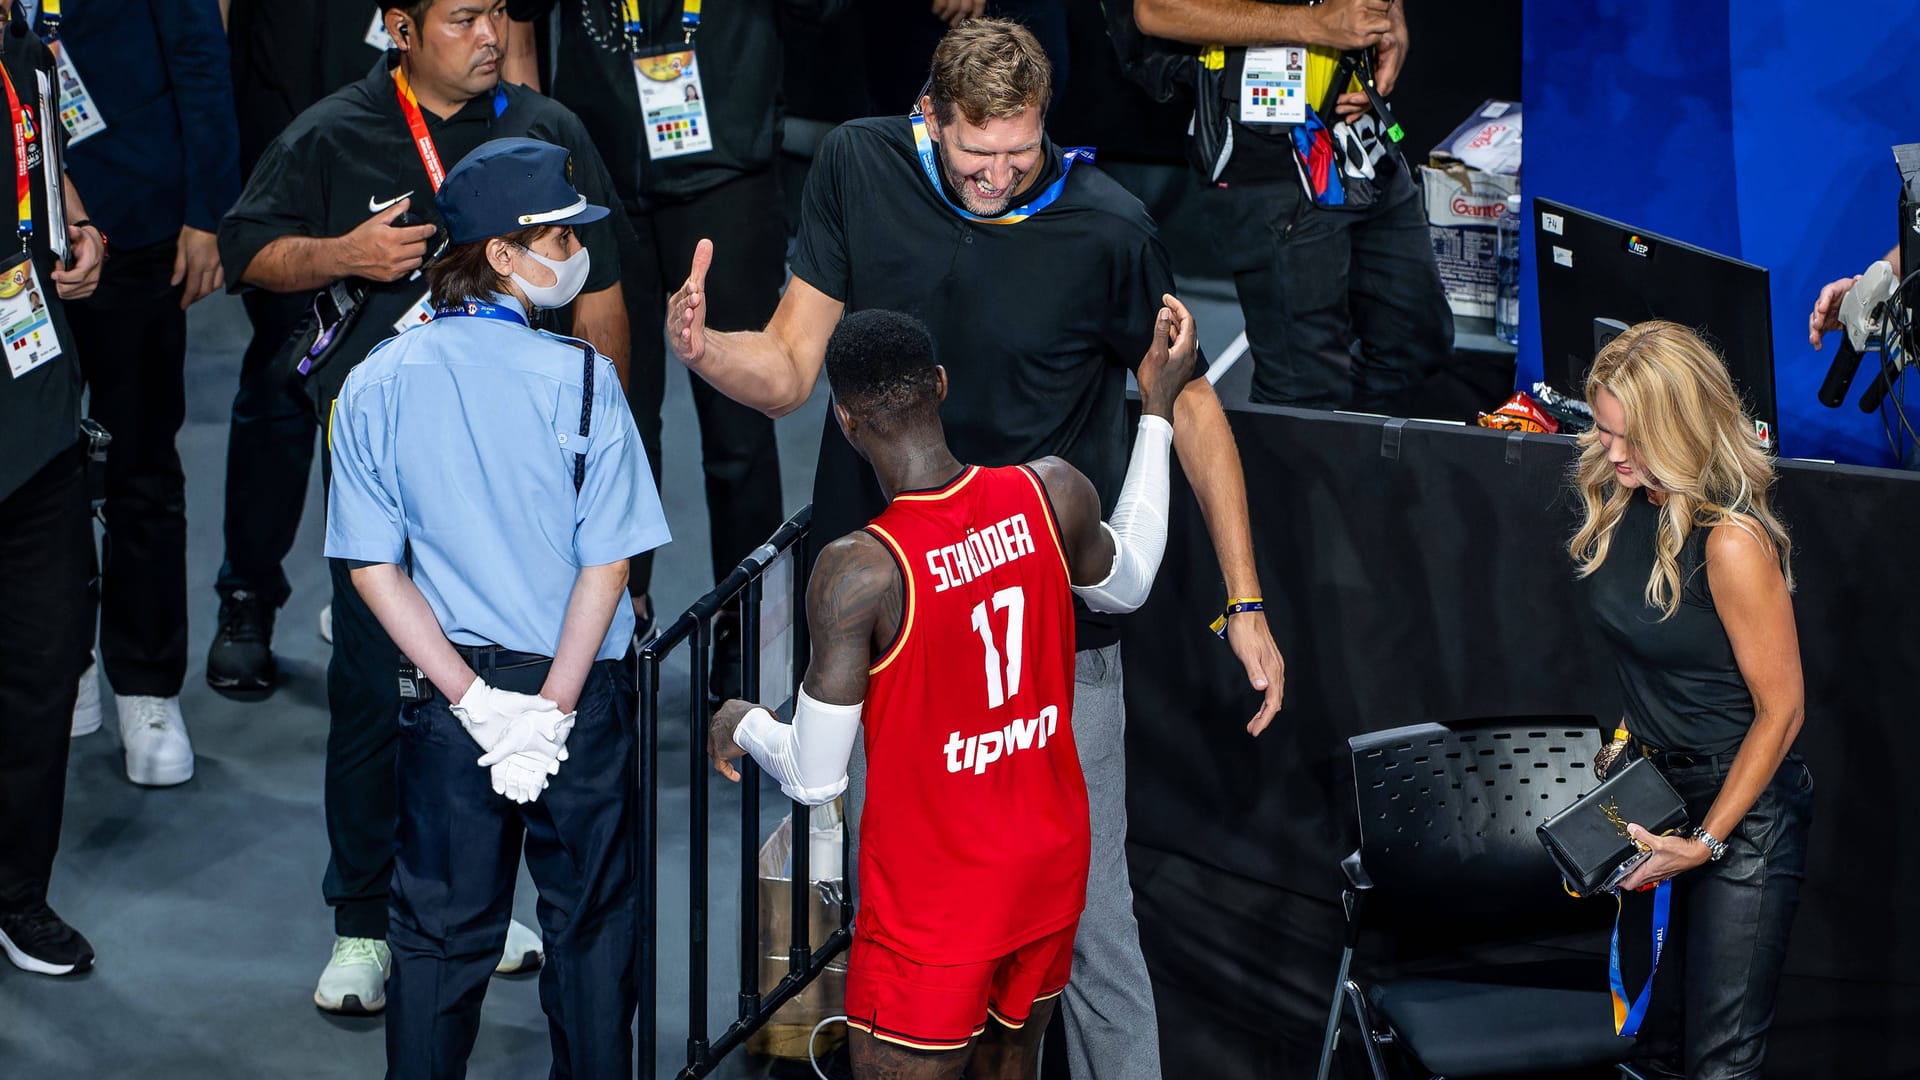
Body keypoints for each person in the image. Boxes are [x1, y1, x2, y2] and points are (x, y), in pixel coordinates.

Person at [669, 20, 1286, 1079]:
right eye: (975, 153)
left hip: (1049, 639)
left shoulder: (1110, 228)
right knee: (895, 901)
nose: (1000, 173)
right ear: (931, 121)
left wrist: (1246, 601)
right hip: (892, 634)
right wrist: (701, 348)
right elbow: (783, 369)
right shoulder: (860, 165)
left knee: (1091, 932)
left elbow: (1189, 412)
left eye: (1022, 150)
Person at [218, 0, 631, 1015]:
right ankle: (362, 923)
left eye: (498, 10)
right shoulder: (331, 131)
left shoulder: (549, 128)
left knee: (503, 691)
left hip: (523, 488)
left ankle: (476, 908)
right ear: (399, 27)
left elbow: (603, 297)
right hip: (395, 482)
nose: (490, 31)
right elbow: (246, 250)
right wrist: (342, 257)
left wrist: (597, 446)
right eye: (462, 16)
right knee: (374, 697)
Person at [708, 300, 1194, 1078]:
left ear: (843, 421)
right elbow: (1129, 581)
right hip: (1045, 868)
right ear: (939, 384)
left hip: (933, 910)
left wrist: (744, 721)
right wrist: (1158, 414)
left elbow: (815, 775)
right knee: (1013, 1066)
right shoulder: (1052, 492)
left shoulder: (860, 570)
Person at [327, 136, 665, 1078]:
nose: (574, 256)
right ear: (506, 256)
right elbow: (609, 568)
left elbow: (371, 568)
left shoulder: (375, 383)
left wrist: (475, 704)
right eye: (558, 238)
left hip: (448, 704)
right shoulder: (589, 381)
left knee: (437, 939)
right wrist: (549, 712)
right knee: (592, 927)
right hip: (578, 706)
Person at [502, 0, 831, 657]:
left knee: (739, 429)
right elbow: (521, 13)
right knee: (615, 418)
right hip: (597, 180)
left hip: (726, 180)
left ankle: (746, 639)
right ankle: (623, 615)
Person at [1573, 320, 1812, 1080]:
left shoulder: (1730, 542)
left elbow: (1783, 712)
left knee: (1720, 1062)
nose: (1611, 454)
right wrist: (1617, 765)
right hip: (1658, 799)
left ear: (1677, 429)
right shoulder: (1624, 498)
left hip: (1742, 819)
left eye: (1628, 438)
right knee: (1652, 1046)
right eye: (1604, 431)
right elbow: (1651, 674)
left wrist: (1707, 842)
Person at [54, 0, 240, 785]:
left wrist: (207, 214)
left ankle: (147, 684)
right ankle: (62, 660)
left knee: (141, 464)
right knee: (33, 472)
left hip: (136, 216)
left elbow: (200, 54)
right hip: (18, 223)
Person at [209, 0, 413, 694]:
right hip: (291, 188)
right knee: (278, 391)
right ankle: (247, 600)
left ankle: (374, 591)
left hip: (402, 186)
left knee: (397, 406)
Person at [1134, 0, 1454, 412]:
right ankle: (1304, 462)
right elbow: (1156, 9)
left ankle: (1351, 462)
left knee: (1414, 342)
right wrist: (1314, 23)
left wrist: (1392, 19)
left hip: (1358, 132)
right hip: (1263, 149)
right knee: (1303, 385)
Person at [0, 0, 108, 975]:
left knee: (43, 665)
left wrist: (73, 226)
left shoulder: (27, 54)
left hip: (34, 411)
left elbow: (40, 174)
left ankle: (16, 893)